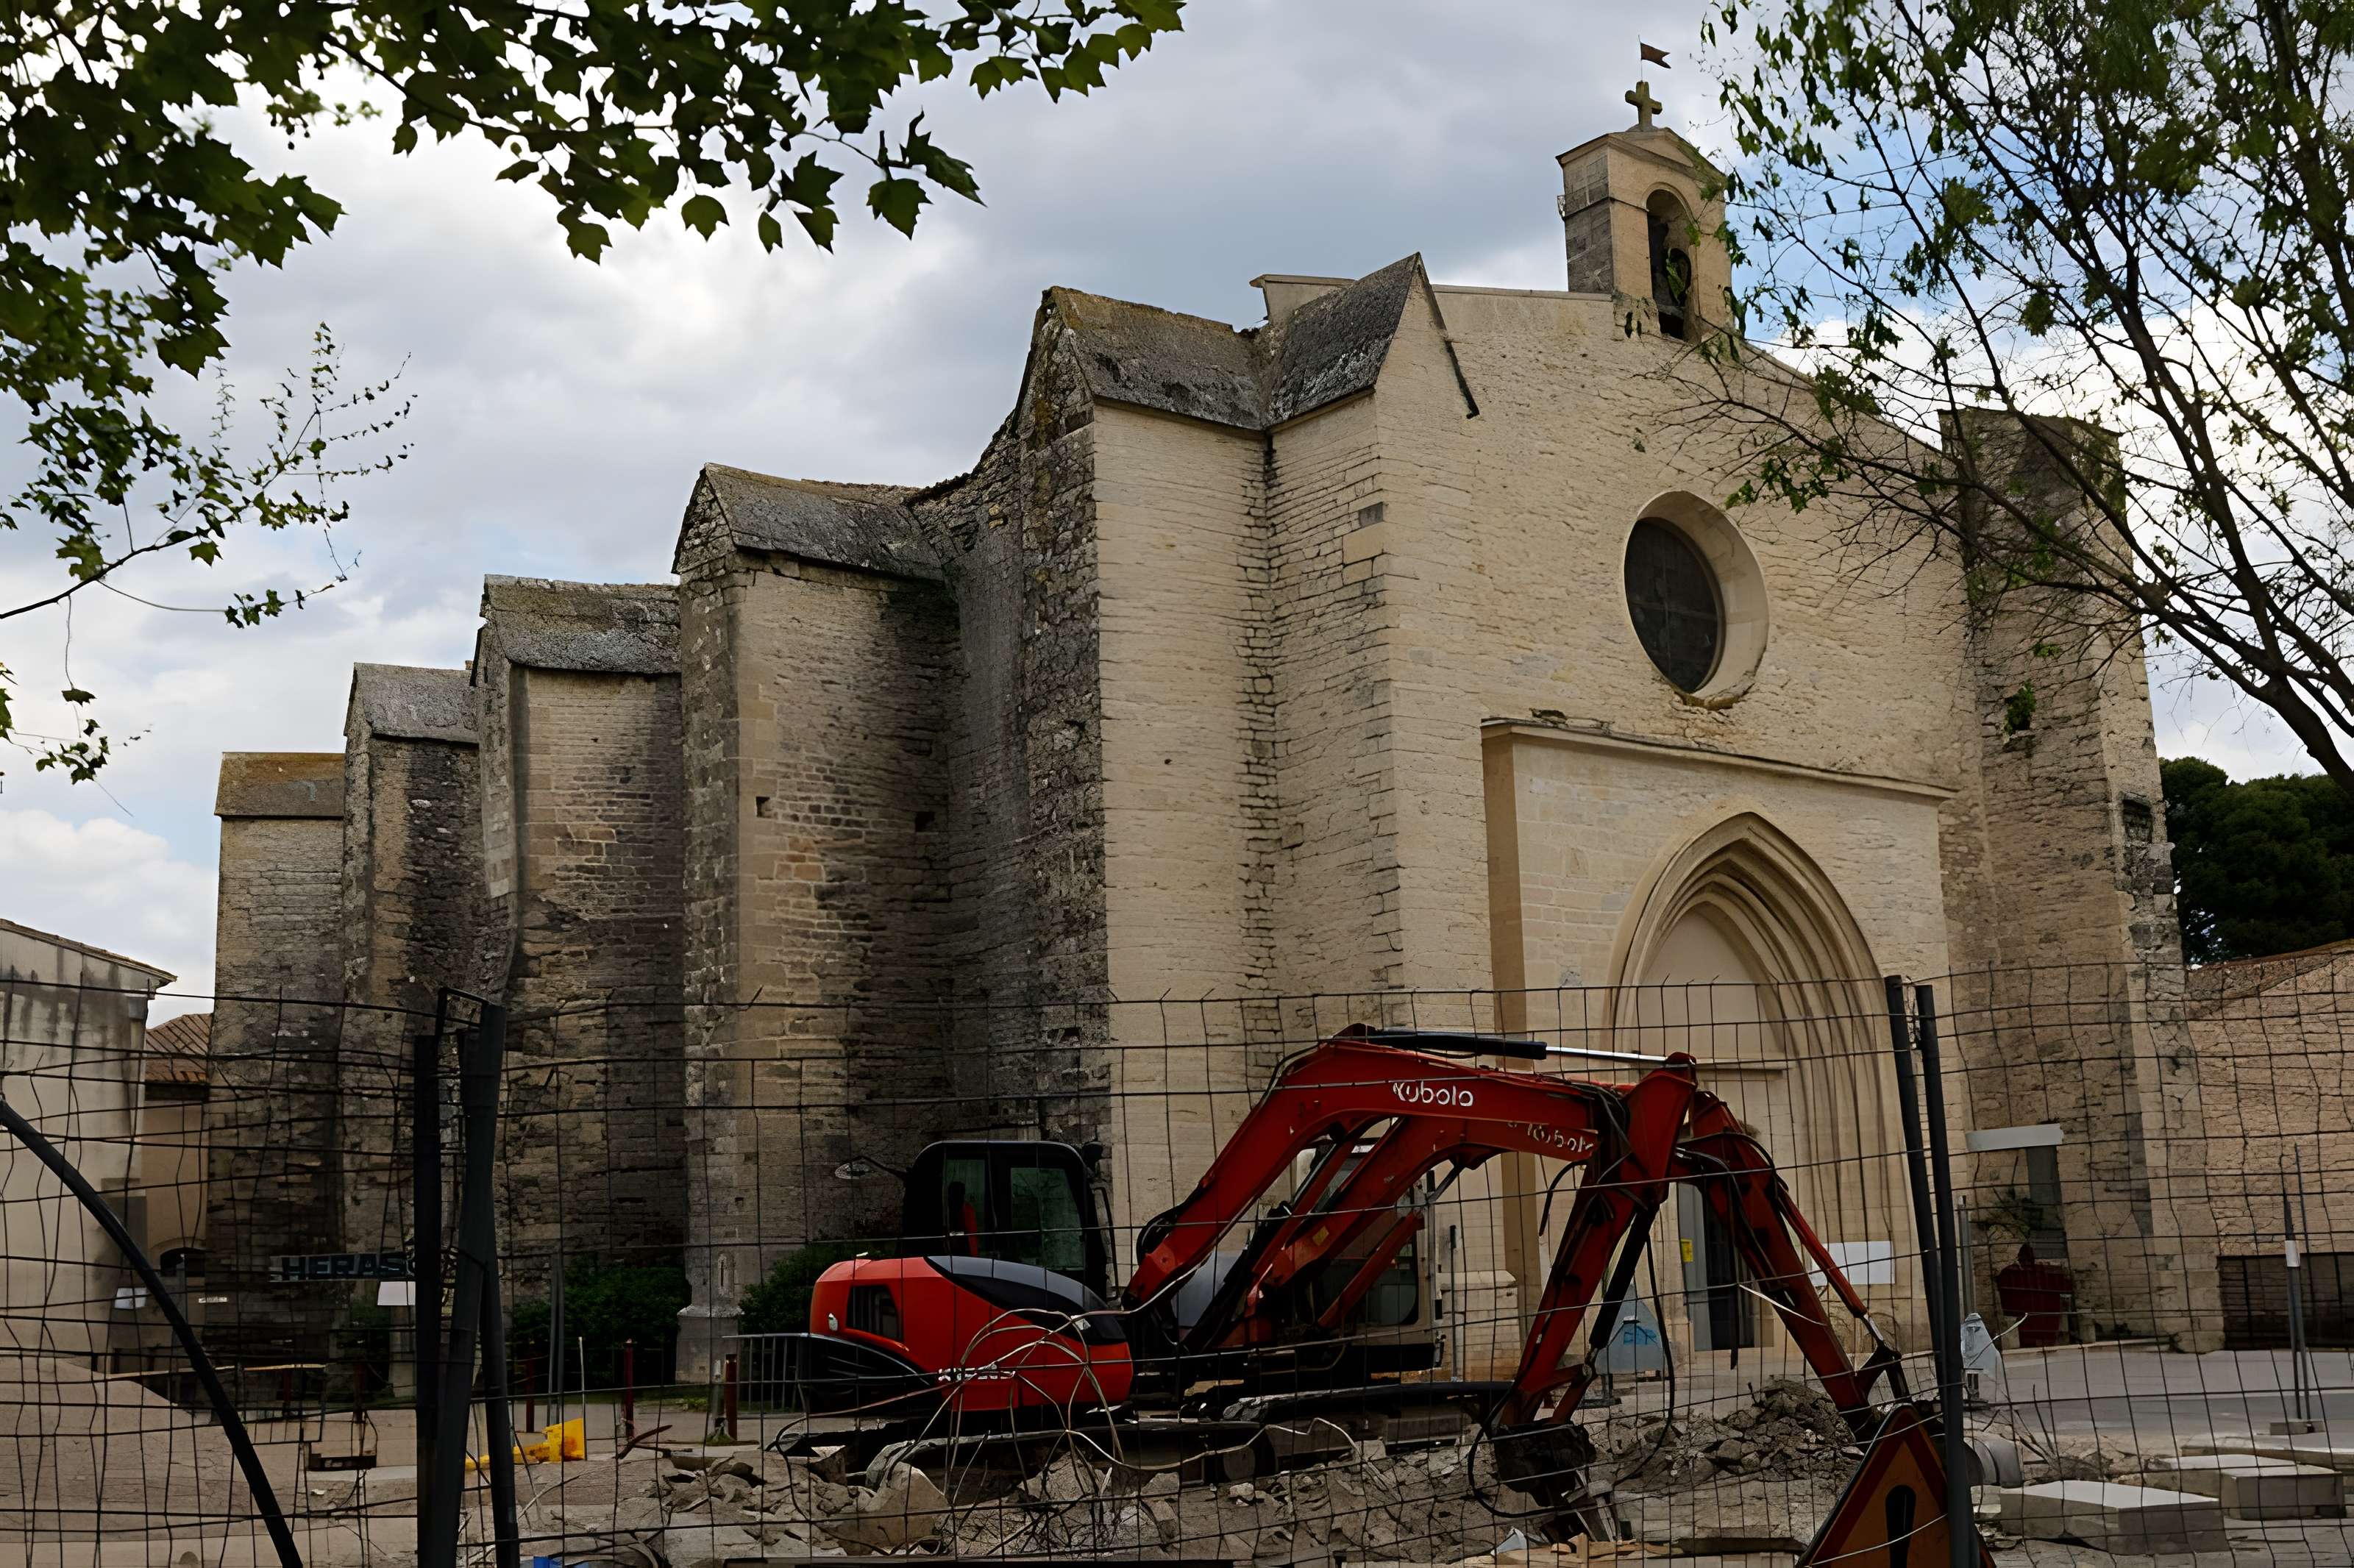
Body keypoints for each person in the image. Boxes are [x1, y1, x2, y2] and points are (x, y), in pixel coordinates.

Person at [945, 1180, 981, 1256]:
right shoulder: (951, 1209)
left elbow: (969, 1232)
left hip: (967, 1247)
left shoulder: (967, 1209)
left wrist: (951, 1234)